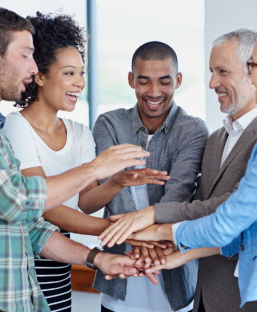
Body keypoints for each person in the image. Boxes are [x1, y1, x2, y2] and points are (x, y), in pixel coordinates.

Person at [101, 15, 257, 312]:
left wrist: (154, 230)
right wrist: (180, 253)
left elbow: (227, 223)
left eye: (254, 66)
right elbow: (256, 227)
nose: (250, 74)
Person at [0, 6, 153, 312]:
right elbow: (18, 200)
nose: (33, 67)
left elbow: (28, 225)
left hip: (15, 299)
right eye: (26, 54)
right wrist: (94, 169)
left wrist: (97, 258)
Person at [100, 29, 257, 312]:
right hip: (203, 296)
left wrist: (153, 219)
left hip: (249, 298)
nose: (211, 83)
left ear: (254, 72)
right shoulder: (218, 137)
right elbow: (200, 204)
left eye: (222, 72)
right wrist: (172, 248)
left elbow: (232, 210)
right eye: (211, 71)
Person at [1, 12, 170, 312]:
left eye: (81, 73)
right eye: (69, 73)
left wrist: (118, 181)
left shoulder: (79, 132)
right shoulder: (16, 127)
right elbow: (44, 205)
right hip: (24, 262)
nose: (80, 83)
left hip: (60, 262)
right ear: (39, 75)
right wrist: (122, 231)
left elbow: (87, 202)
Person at [92, 41, 209, 312]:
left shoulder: (193, 130)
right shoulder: (108, 124)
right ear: (132, 80)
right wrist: (145, 237)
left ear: (178, 80)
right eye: (144, 81)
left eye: (164, 82)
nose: (154, 92)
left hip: (176, 288)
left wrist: (138, 233)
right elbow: (115, 195)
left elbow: (176, 199)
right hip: (119, 288)